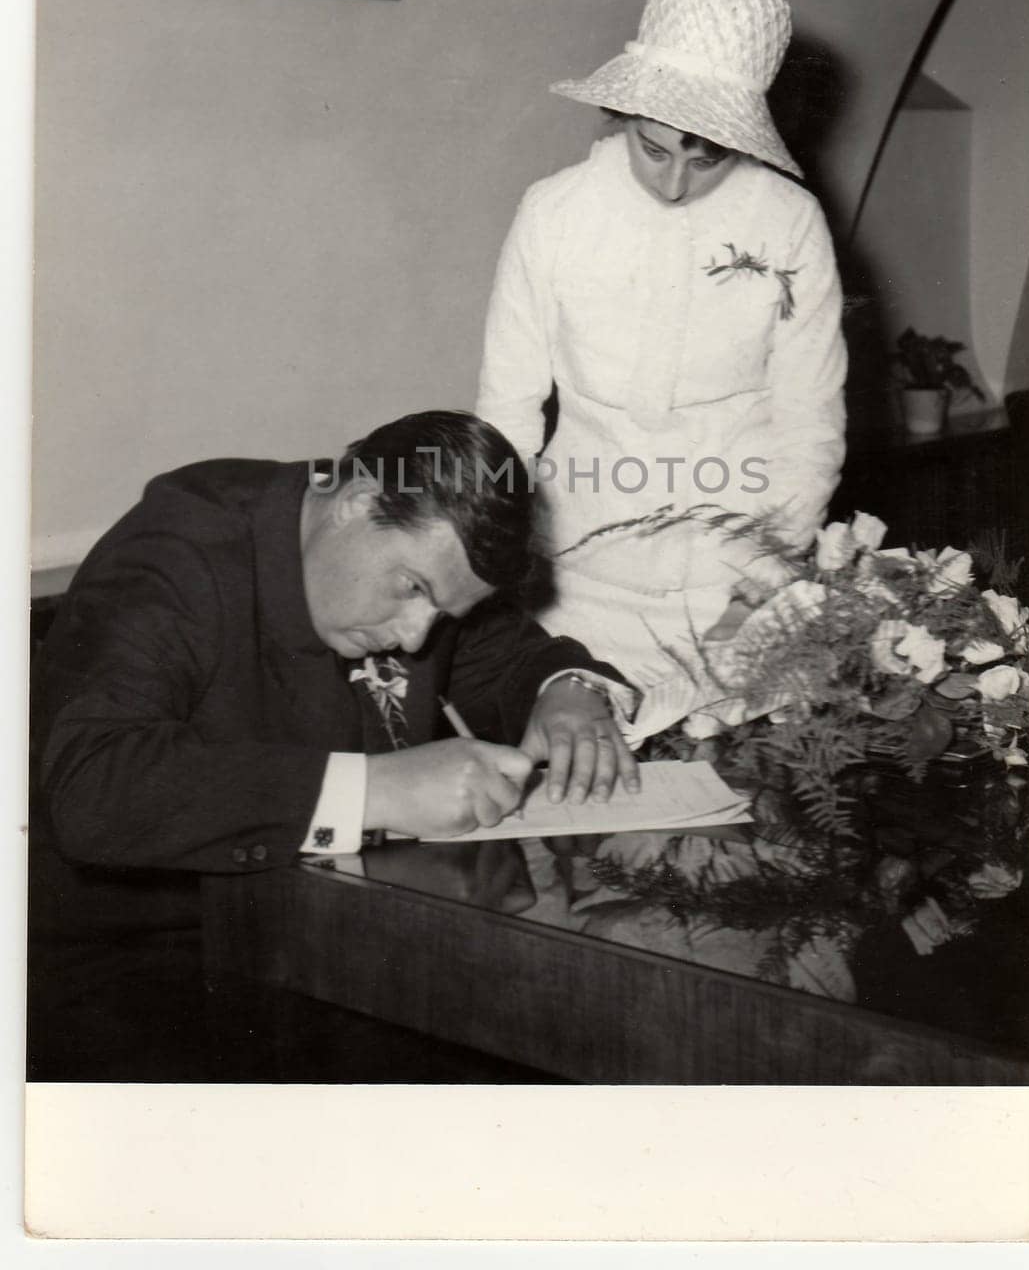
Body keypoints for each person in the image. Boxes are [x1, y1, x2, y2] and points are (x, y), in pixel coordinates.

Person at [28, 409, 636, 1079]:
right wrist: (379, 789)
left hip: (325, 937)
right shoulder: (178, 553)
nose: (414, 635)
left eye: (439, 612)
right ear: (355, 503)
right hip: (143, 961)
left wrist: (566, 688)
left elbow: (502, 651)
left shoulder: (412, 556)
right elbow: (95, 786)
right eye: (410, 589)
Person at [476, 0, 847, 721]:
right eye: (655, 149)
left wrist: (758, 588)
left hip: (734, 596)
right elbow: (506, 414)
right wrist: (497, 574)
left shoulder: (787, 223)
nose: (675, 183)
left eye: (705, 157)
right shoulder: (553, 213)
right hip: (574, 594)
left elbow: (808, 423)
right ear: (623, 114)